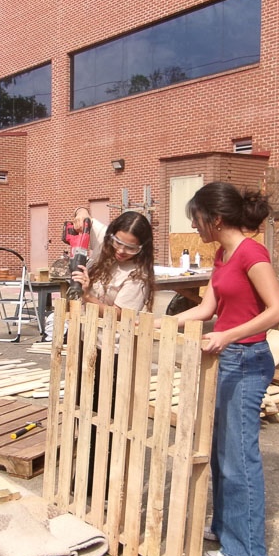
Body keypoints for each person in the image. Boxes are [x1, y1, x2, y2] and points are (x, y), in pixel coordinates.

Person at [168, 181, 279, 556]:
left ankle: (246, 548)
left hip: (249, 359)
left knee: (239, 456)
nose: (195, 228)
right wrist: (163, 322)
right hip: (229, 357)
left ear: (215, 219)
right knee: (223, 451)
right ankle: (225, 526)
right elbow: (206, 309)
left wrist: (226, 335)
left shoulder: (252, 253)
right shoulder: (222, 255)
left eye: (197, 220)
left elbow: (278, 310)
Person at [70, 210, 155, 497]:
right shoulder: (107, 244)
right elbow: (84, 214)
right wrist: (82, 219)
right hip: (88, 343)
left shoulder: (138, 276)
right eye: (118, 242)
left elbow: (122, 315)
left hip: (115, 353)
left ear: (142, 248)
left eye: (131, 247)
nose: (121, 250)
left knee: (106, 419)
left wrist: (88, 296)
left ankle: (103, 484)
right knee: (86, 413)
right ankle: (85, 476)